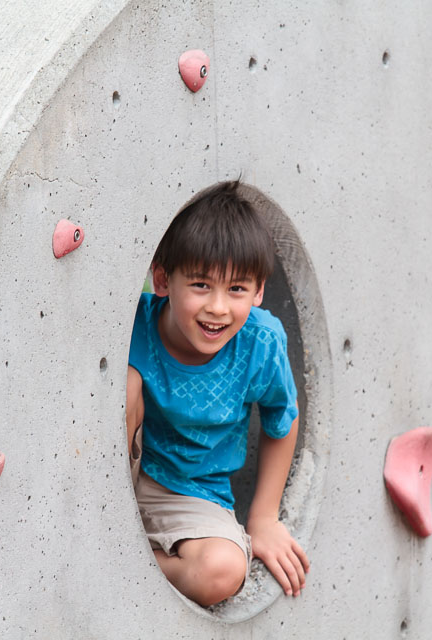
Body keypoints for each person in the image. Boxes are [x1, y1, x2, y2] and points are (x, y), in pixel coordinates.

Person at [125, 180, 309, 607]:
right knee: (127, 381)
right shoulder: (134, 324)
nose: (218, 307)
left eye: (237, 289)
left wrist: (263, 517)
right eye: (201, 285)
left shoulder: (260, 343)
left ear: (259, 291)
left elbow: (283, 419)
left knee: (223, 570)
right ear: (162, 279)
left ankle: (130, 561)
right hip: (123, 477)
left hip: (196, 496)